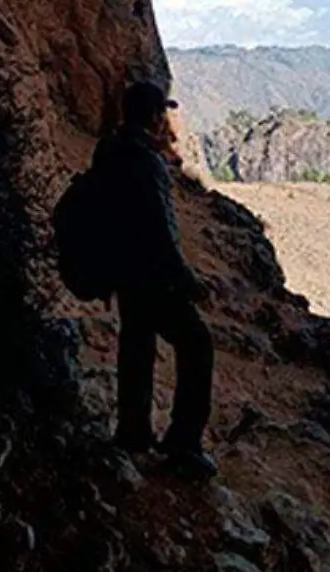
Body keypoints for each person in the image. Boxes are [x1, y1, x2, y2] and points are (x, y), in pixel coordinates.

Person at [98, 80, 216, 479]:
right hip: (152, 277)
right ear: (151, 117)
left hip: (123, 273)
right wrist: (187, 282)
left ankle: (132, 432)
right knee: (197, 343)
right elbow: (161, 232)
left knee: (136, 348)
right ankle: (184, 444)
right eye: (160, 113)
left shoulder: (108, 149)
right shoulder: (146, 162)